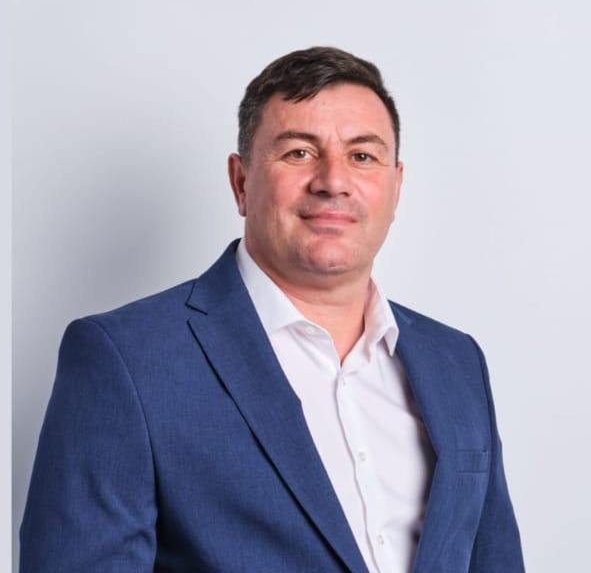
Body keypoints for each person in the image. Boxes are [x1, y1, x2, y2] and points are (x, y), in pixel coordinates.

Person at [19, 46, 525, 572]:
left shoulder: (456, 362)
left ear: (395, 187)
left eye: (362, 156)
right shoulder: (127, 360)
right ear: (241, 183)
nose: (333, 181)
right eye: (299, 153)